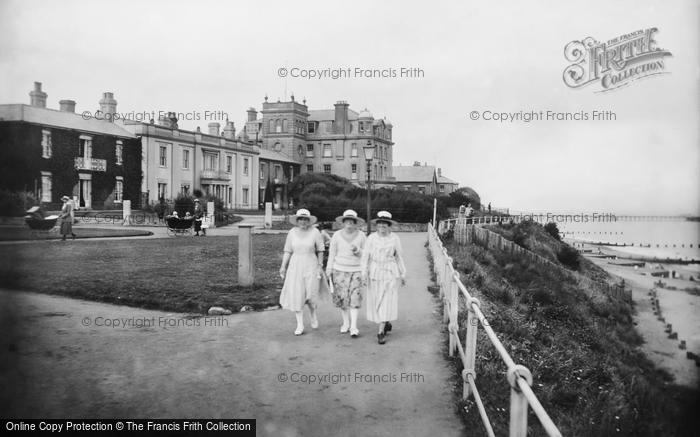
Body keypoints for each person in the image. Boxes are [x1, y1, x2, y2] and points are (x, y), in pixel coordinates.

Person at [279, 209, 328, 335]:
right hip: (296, 265)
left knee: (311, 294)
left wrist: (319, 265)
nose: (303, 221)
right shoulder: (292, 233)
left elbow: (321, 249)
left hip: (311, 263)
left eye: (305, 219)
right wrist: (283, 266)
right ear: (297, 220)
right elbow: (288, 250)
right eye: (300, 219)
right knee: (297, 294)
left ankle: (313, 314)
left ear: (309, 221)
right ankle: (300, 324)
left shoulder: (315, 232)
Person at [361, 211, 406, 344]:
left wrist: (403, 273)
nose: (382, 226)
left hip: (389, 272)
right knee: (377, 301)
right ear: (377, 225)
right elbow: (365, 257)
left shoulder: (395, 238)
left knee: (387, 300)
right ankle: (385, 322)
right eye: (379, 223)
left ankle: (380, 332)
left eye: (385, 224)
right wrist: (364, 273)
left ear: (389, 225)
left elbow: (399, 257)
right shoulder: (371, 238)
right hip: (375, 272)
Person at [326, 210, 367, 337]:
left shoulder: (361, 236)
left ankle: (354, 326)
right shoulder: (337, 235)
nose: (349, 223)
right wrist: (329, 269)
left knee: (355, 298)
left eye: (352, 221)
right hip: (339, 270)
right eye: (347, 221)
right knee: (343, 299)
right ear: (343, 222)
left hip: (356, 270)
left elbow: (366, 254)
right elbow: (332, 253)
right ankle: (346, 323)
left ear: (356, 223)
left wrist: (358, 250)